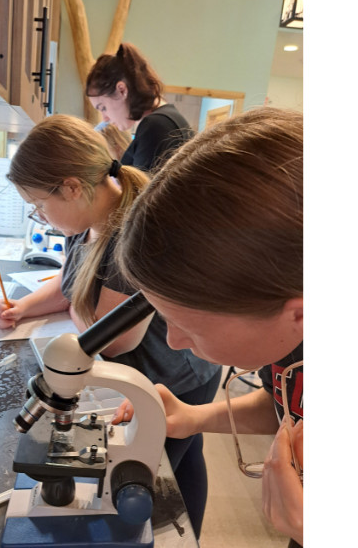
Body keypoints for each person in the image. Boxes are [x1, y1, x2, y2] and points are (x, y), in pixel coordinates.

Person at [0, 114, 222, 539]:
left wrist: (78, 310)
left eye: (40, 205)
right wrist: (20, 308)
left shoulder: (134, 230)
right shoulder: (84, 222)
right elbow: (70, 289)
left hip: (177, 374)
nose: (40, 216)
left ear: (72, 187)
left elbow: (112, 337)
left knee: (159, 468)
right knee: (185, 458)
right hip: (143, 372)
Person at [112, 107, 304, 546]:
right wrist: (194, 417)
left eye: (190, 327)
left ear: (298, 313)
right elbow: (288, 404)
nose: (175, 340)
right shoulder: (292, 326)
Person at [86, 43, 193, 173]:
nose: (105, 118)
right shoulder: (166, 119)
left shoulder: (156, 126)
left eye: (103, 107)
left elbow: (141, 191)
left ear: (121, 90)